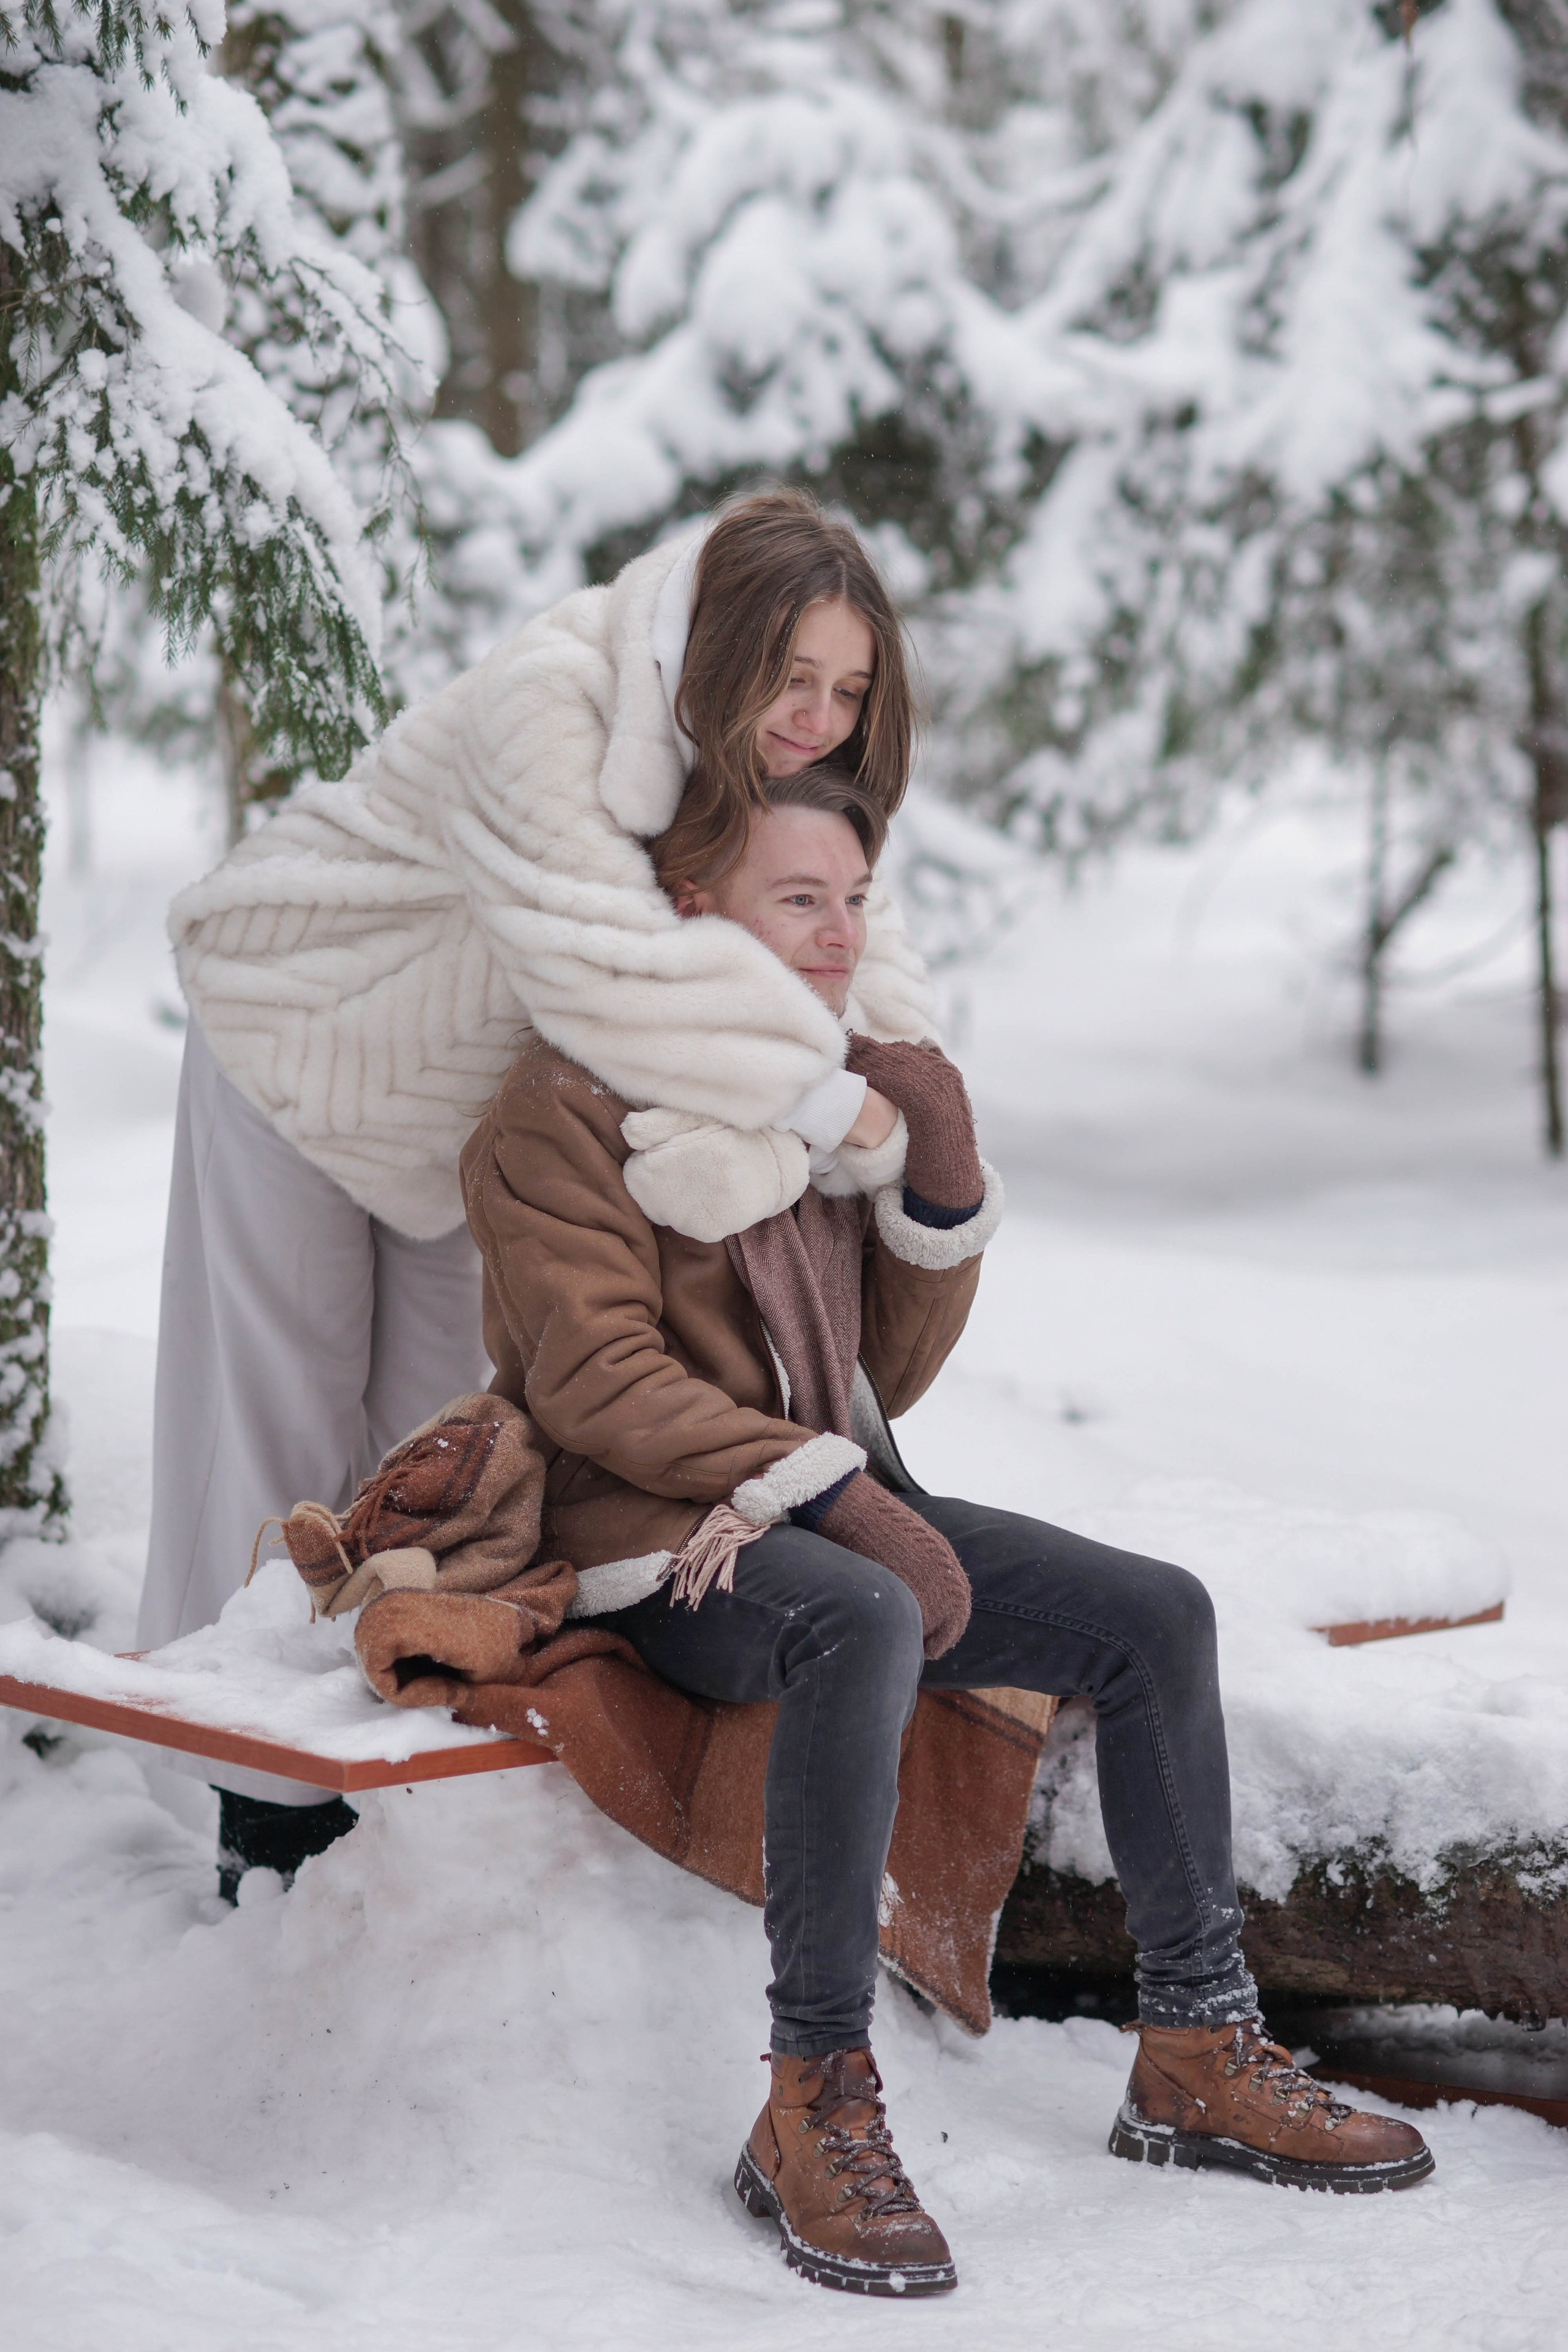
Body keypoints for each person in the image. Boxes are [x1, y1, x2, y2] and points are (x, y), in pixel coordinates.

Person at [459, 763, 1434, 2301]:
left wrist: (936, 1166)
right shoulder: (565, 1097)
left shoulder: (814, 1090)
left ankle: (1192, 2046)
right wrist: (838, 1499)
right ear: (691, 905)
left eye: (854, 899)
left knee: (1154, 1613)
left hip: (829, 1501)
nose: (840, 933)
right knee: (861, 1615)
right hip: (660, 1542)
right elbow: (598, 1381)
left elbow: (879, 1377)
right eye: (800, 899)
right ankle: (809, 2105)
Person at [141, 487, 932, 1887]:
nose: (814, 716)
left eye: (846, 690)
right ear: (722, 642)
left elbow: (854, 941)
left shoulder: (750, 771)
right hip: (301, 1041)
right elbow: (605, 978)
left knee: (449, 1460)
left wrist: (917, 1095)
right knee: (282, 1426)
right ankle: (253, 1810)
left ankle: (381, 1801)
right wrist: (836, 1105)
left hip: (457, 1117)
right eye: (791, 675)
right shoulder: (551, 703)